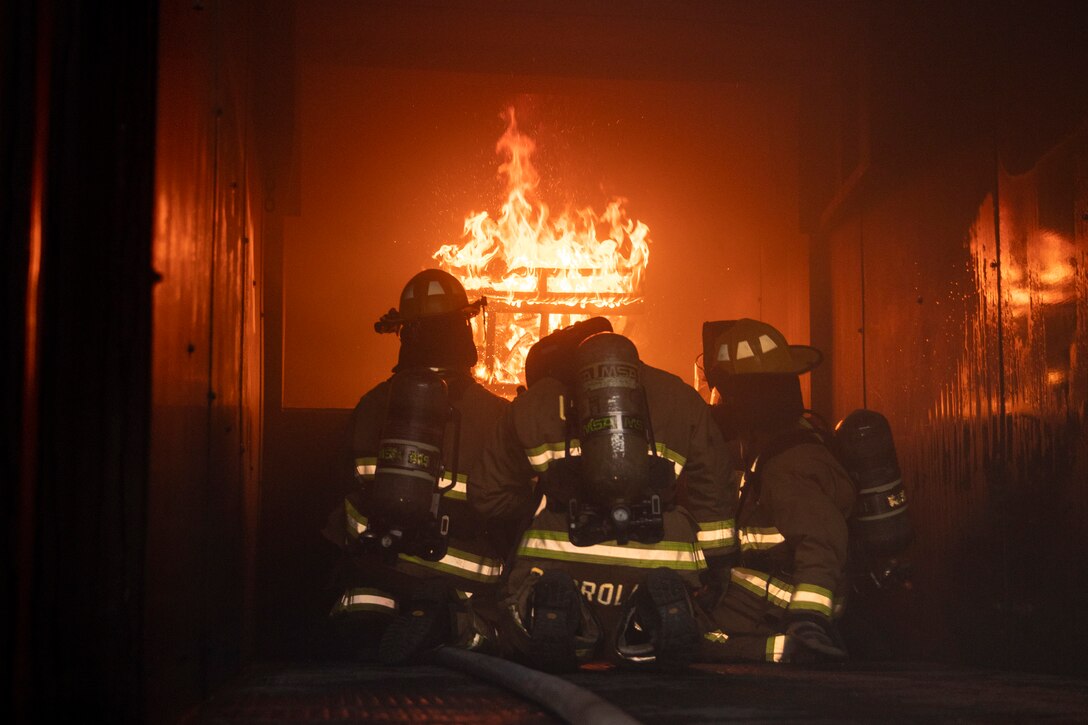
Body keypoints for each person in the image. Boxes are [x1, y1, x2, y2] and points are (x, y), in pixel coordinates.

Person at [469, 321, 737, 672]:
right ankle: (652, 613)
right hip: (661, 555)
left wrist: (540, 505)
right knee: (687, 621)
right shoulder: (679, 395)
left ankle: (558, 613)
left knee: (514, 621)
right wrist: (717, 561)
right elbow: (713, 489)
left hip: (562, 556)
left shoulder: (537, 400)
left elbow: (486, 496)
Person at [322, 269, 510, 664]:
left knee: (361, 627)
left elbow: (341, 499)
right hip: (465, 587)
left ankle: (367, 622)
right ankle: (449, 623)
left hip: (377, 575)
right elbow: (514, 513)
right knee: (485, 629)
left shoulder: (372, 405)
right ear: (463, 332)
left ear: (406, 335)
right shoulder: (498, 416)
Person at [698, 318, 856, 664]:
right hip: (770, 592)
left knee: (687, 631)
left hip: (784, 603)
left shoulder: (789, 465)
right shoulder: (770, 448)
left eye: (725, 396)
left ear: (744, 398)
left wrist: (808, 618)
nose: (721, 406)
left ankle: (792, 650)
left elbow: (821, 542)